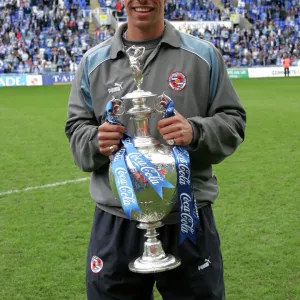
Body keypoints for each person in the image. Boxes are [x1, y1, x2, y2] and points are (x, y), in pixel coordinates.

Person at [65, 0, 246, 299]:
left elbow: (234, 122)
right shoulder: (93, 62)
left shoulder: (203, 56)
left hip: (187, 218)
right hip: (117, 219)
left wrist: (196, 131)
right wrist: (96, 141)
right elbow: (76, 129)